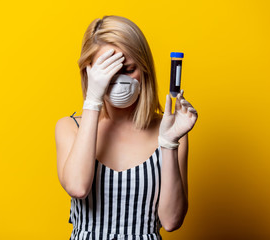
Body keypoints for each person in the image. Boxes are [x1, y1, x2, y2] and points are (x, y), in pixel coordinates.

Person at [55, 15, 198, 240]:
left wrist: (169, 143)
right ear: (89, 72)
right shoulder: (69, 128)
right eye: (109, 72)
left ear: (144, 69)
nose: (121, 81)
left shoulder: (168, 129)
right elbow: (78, 187)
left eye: (129, 69)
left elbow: (171, 221)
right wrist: (93, 99)